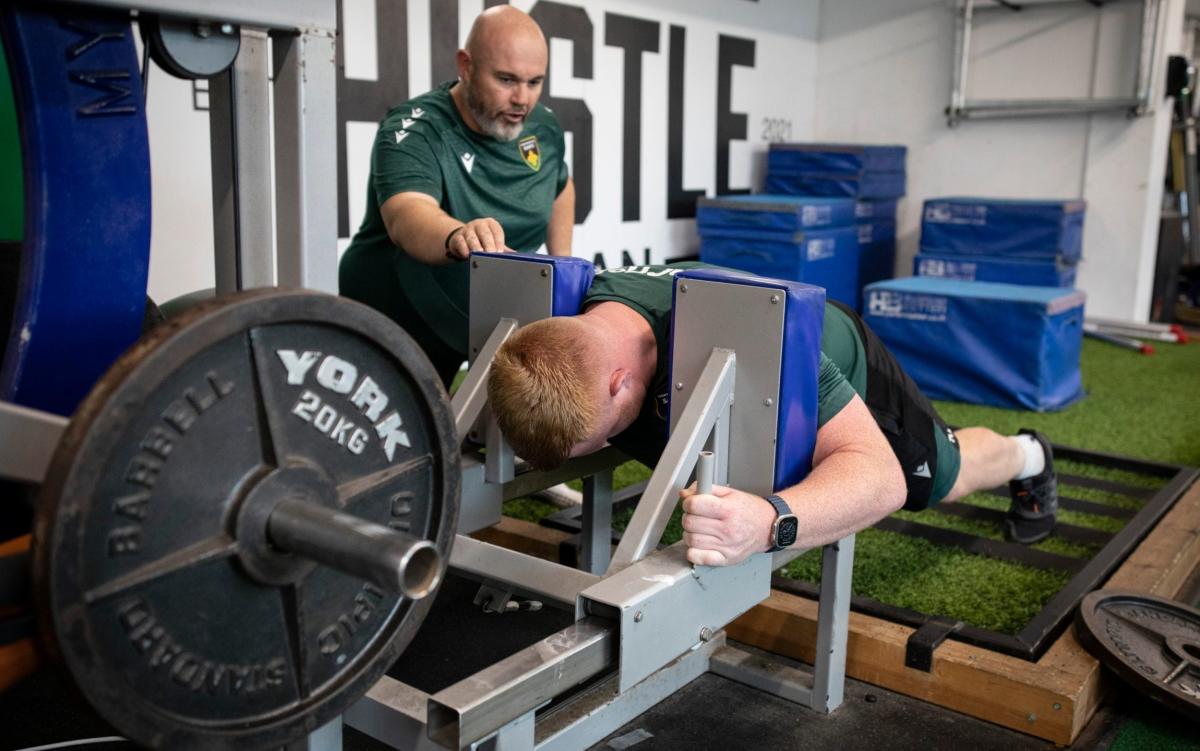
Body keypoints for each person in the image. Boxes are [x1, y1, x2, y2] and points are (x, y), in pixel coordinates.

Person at [487, 263, 1059, 567]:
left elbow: (879, 479)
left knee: (937, 481)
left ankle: (1029, 455)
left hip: (831, 356)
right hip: (736, 350)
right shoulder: (577, 320)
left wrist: (770, 522)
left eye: (602, 435)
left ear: (620, 385)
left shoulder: (766, 348)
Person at [339, 6, 575, 386]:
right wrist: (458, 235)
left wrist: (562, 266)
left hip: (483, 317)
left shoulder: (542, 126)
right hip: (400, 317)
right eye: (506, 79)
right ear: (465, 66)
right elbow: (408, 214)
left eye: (534, 82)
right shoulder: (413, 129)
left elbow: (560, 186)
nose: (522, 99)